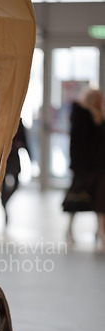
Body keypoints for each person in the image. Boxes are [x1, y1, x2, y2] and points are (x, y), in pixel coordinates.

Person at [62, 88, 104, 245]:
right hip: (84, 167)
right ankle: (69, 228)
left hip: (99, 167)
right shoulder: (82, 115)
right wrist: (79, 165)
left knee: (99, 199)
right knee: (77, 198)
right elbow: (77, 144)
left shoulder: (100, 115)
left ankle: (100, 230)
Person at [1, 118, 31, 224]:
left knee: (16, 183)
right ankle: (4, 204)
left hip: (14, 157)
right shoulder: (1, 118)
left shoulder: (19, 121)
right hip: (3, 157)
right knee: (3, 183)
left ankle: (5, 202)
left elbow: (24, 140)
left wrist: (30, 157)